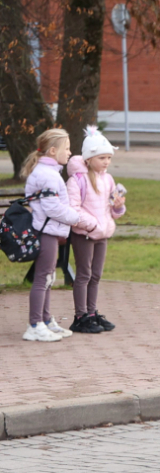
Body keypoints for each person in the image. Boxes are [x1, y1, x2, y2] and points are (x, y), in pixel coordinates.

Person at [20, 128, 86, 342]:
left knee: (48, 277)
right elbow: (52, 208)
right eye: (66, 149)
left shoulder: (49, 172)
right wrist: (75, 216)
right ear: (52, 151)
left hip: (49, 231)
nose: (69, 152)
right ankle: (35, 324)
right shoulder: (46, 174)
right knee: (43, 278)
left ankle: (46, 320)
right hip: (45, 231)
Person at [64, 126, 126, 334]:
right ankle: (80, 315)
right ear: (89, 159)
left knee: (96, 274)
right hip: (85, 234)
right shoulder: (77, 181)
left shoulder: (108, 179)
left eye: (109, 157)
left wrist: (118, 206)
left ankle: (92, 313)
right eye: (102, 157)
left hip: (103, 234)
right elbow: (73, 209)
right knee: (84, 274)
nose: (106, 162)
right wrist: (91, 225)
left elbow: (112, 208)